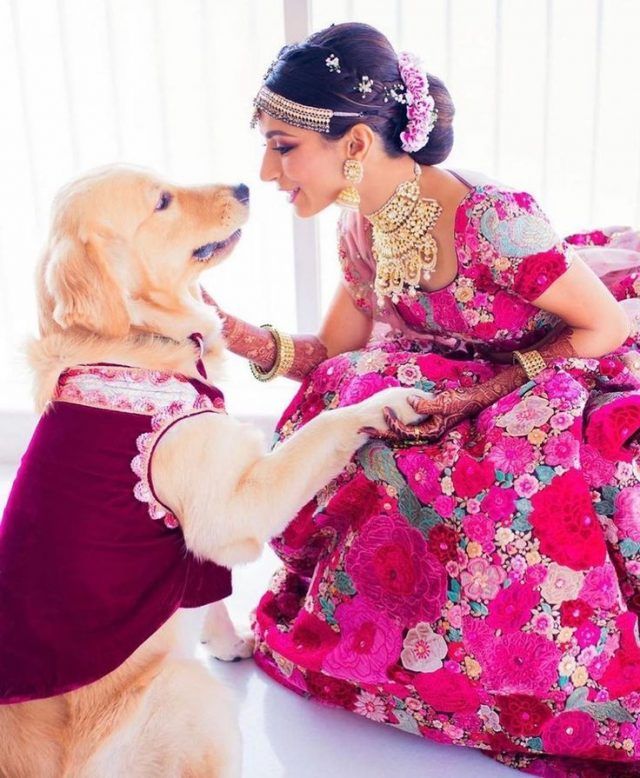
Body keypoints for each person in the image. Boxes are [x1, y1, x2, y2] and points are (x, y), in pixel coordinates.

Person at [210, 21, 640, 776]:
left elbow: (602, 326)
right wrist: (243, 337)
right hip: (449, 374)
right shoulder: (360, 222)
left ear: (352, 144)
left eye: (283, 146)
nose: (269, 173)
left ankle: (517, 687)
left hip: (558, 364)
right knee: (349, 397)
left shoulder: (494, 220)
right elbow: (333, 355)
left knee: (494, 475)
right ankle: (388, 656)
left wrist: (485, 393)